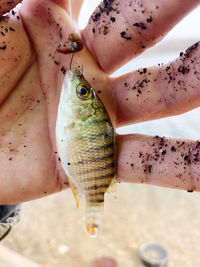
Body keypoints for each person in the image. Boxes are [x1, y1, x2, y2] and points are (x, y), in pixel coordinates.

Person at [0, 0, 199, 239]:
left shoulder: (68, 112)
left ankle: (93, 210)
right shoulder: (68, 112)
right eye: (84, 93)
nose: (79, 88)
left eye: (82, 92)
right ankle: (93, 211)